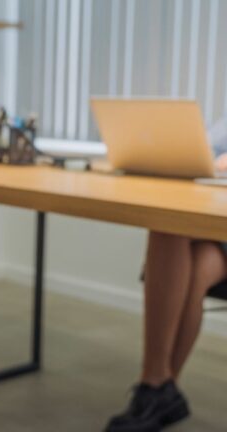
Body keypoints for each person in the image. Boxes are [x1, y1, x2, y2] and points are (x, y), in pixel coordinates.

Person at [105, 120, 227, 432]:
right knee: (173, 229)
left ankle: (155, 385)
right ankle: (160, 386)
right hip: (215, 224)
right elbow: (200, 151)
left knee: (170, 227)